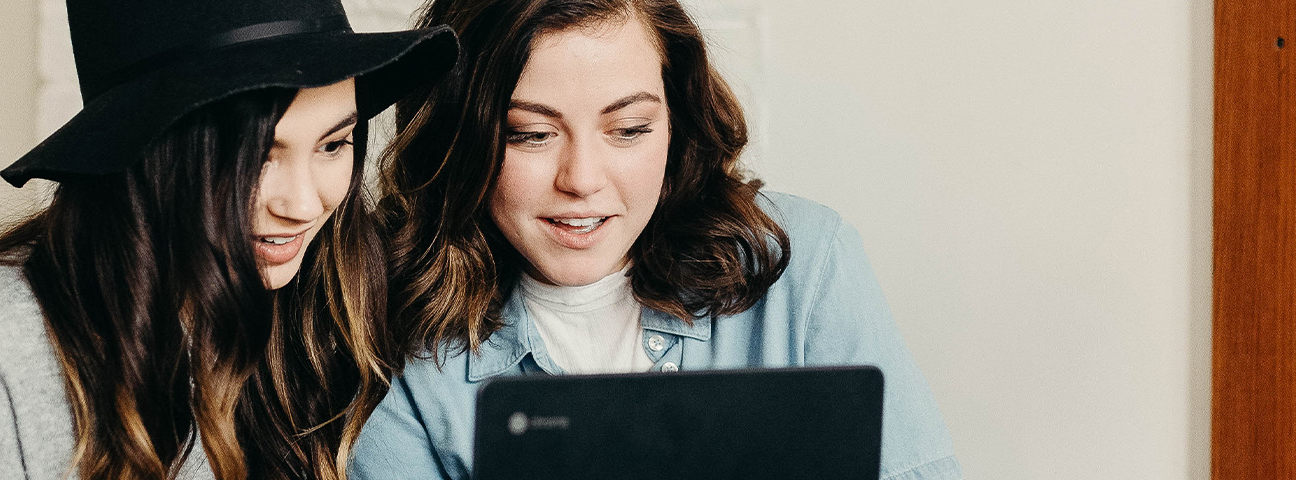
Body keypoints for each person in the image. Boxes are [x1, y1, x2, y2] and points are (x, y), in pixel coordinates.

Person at [0, 0, 455, 478]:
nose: (302, 204)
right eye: (256, 158)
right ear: (154, 157)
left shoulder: (324, 308)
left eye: (333, 145)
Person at [350, 0, 960, 479]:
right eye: (532, 134)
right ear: (461, 140)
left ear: (676, 122)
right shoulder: (389, 322)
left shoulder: (804, 262)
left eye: (628, 129)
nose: (582, 180)